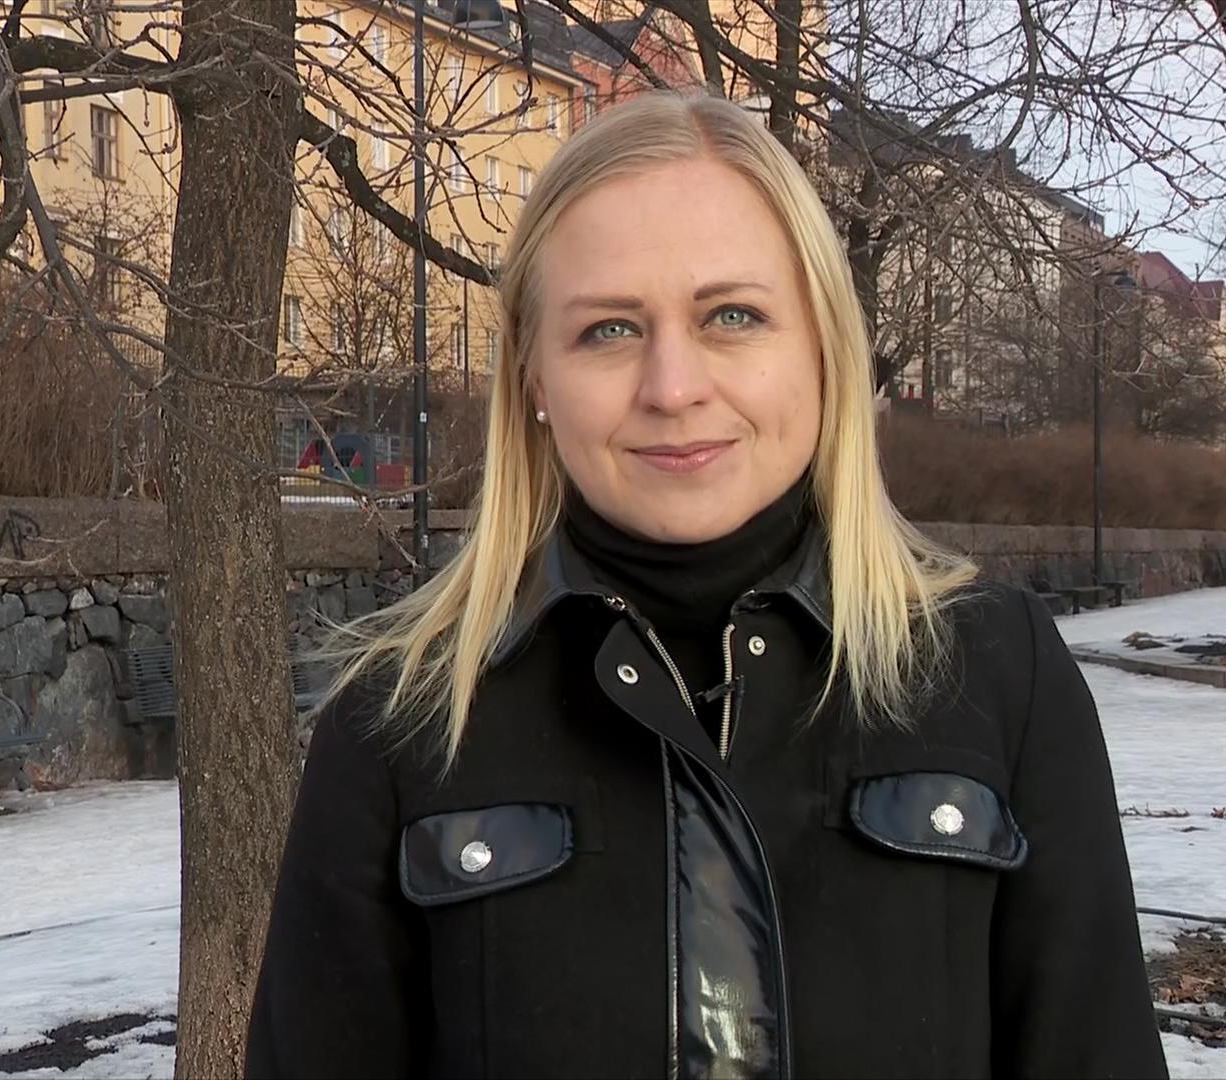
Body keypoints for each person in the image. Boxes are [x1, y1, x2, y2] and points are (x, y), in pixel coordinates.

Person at [247, 92, 1165, 1079]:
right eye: (609, 329)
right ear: (534, 379)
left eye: (733, 316)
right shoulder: (402, 717)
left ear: (822, 346)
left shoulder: (996, 675)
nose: (673, 387)